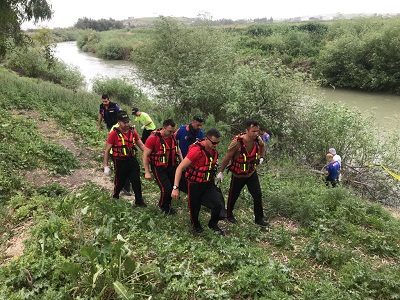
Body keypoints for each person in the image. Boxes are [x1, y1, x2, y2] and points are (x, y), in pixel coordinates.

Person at [172, 128, 224, 235]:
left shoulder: (214, 151)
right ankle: (195, 225)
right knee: (194, 207)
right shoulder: (196, 150)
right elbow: (180, 168)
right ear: (206, 139)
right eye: (213, 142)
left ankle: (213, 224)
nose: (216, 145)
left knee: (218, 204)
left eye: (217, 143)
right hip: (194, 183)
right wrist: (176, 187)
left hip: (208, 183)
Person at [217, 119, 269, 227]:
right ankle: (229, 214)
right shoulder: (237, 142)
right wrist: (221, 172)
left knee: (257, 195)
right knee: (233, 195)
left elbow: (263, 146)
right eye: (253, 131)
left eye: (257, 131)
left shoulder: (257, 139)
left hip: (251, 173)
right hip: (238, 174)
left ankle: (259, 219)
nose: (255, 133)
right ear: (246, 130)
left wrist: (262, 158)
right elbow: (228, 157)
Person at [103, 110, 147, 206]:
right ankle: (115, 196)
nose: (127, 124)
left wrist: (150, 153)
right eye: (124, 122)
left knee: (136, 180)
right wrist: (105, 166)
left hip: (132, 159)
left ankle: (139, 201)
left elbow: (142, 146)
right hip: (119, 161)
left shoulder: (133, 132)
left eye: (128, 122)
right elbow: (107, 150)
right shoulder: (113, 134)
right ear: (119, 122)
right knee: (120, 181)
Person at [142, 119, 183, 215]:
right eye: (170, 131)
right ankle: (163, 207)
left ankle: (167, 204)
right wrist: (147, 172)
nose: (172, 133)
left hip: (171, 165)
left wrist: (182, 162)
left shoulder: (172, 137)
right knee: (166, 188)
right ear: (163, 128)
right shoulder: (153, 138)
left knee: (173, 186)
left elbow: (178, 150)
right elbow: (145, 155)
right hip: (158, 167)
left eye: (173, 131)